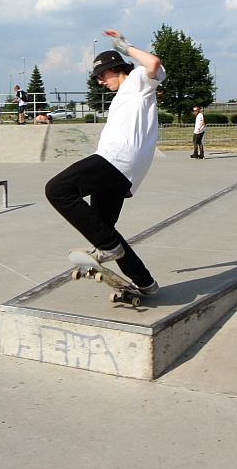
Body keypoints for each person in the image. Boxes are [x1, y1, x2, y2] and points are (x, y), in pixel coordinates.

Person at [45, 29, 164, 295]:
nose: (100, 81)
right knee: (103, 228)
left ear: (116, 68)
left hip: (117, 160)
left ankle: (108, 247)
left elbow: (153, 63)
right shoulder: (125, 95)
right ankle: (145, 281)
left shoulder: (137, 81)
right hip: (123, 168)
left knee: (58, 190)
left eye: (102, 75)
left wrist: (125, 46)